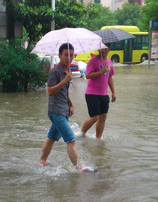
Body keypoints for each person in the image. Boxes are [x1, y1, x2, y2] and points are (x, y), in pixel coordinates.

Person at [39, 43, 92, 172]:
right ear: (59, 55)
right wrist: (64, 80)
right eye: (66, 55)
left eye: (71, 55)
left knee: (52, 137)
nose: (69, 58)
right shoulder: (55, 72)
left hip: (64, 110)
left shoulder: (67, 71)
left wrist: (72, 105)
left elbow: (64, 92)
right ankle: (80, 169)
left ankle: (41, 161)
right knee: (71, 139)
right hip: (56, 111)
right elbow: (50, 91)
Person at [80, 43, 116, 139]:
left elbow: (110, 78)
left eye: (106, 48)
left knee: (103, 116)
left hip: (104, 93)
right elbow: (87, 75)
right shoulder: (93, 61)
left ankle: (98, 138)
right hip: (92, 93)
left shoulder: (109, 62)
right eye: (101, 48)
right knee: (95, 117)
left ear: (109, 49)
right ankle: (81, 133)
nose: (103, 50)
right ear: (98, 49)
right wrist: (101, 71)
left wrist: (113, 92)